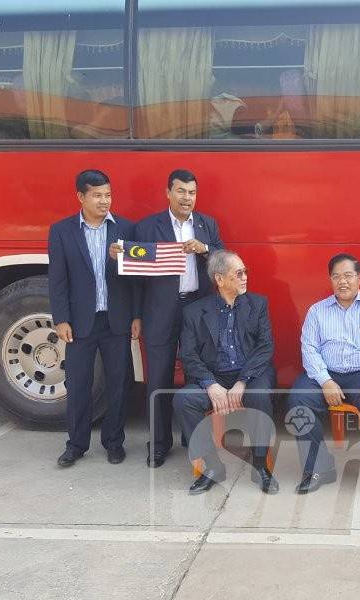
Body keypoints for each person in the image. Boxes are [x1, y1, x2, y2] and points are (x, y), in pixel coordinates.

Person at [286, 253, 360, 503]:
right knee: (298, 400)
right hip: (326, 374)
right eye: (336, 276)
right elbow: (309, 349)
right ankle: (318, 468)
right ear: (330, 280)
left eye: (348, 275)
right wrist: (325, 380)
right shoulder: (317, 311)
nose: (342, 281)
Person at [48, 170, 140, 467]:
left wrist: (136, 315)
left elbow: (136, 279)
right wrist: (61, 318)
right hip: (80, 323)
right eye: (98, 195)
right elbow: (58, 279)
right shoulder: (62, 231)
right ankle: (75, 445)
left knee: (119, 384)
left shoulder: (126, 228)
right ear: (81, 197)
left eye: (108, 195)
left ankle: (114, 442)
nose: (104, 201)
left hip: (116, 322)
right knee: (78, 385)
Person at [135, 169, 225, 468]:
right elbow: (136, 276)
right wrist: (136, 315)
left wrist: (205, 249)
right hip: (160, 312)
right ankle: (159, 444)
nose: (187, 198)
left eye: (192, 192)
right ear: (168, 193)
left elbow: (223, 262)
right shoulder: (148, 227)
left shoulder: (207, 224)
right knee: (158, 379)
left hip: (196, 310)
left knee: (196, 376)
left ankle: (193, 440)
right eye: (181, 191)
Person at [173, 250, 277, 495]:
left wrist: (242, 382)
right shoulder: (194, 312)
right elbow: (188, 355)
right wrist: (210, 384)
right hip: (214, 376)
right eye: (238, 273)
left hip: (249, 374)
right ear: (219, 279)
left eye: (245, 272)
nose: (244, 278)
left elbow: (265, 347)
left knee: (260, 395)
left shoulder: (257, 304)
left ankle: (261, 464)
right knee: (183, 400)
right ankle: (212, 466)